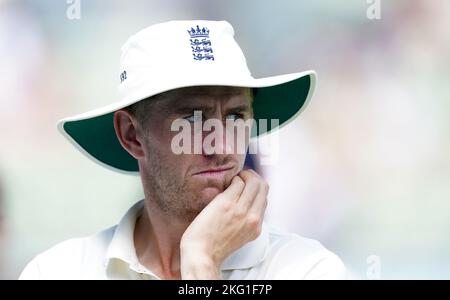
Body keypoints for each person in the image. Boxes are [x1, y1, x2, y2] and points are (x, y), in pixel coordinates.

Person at [19, 20, 345, 280]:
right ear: (132, 135)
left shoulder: (307, 269)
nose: (222, 145)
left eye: (235, 116)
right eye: (192, 119)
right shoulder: (57, 272)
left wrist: (201, 259)